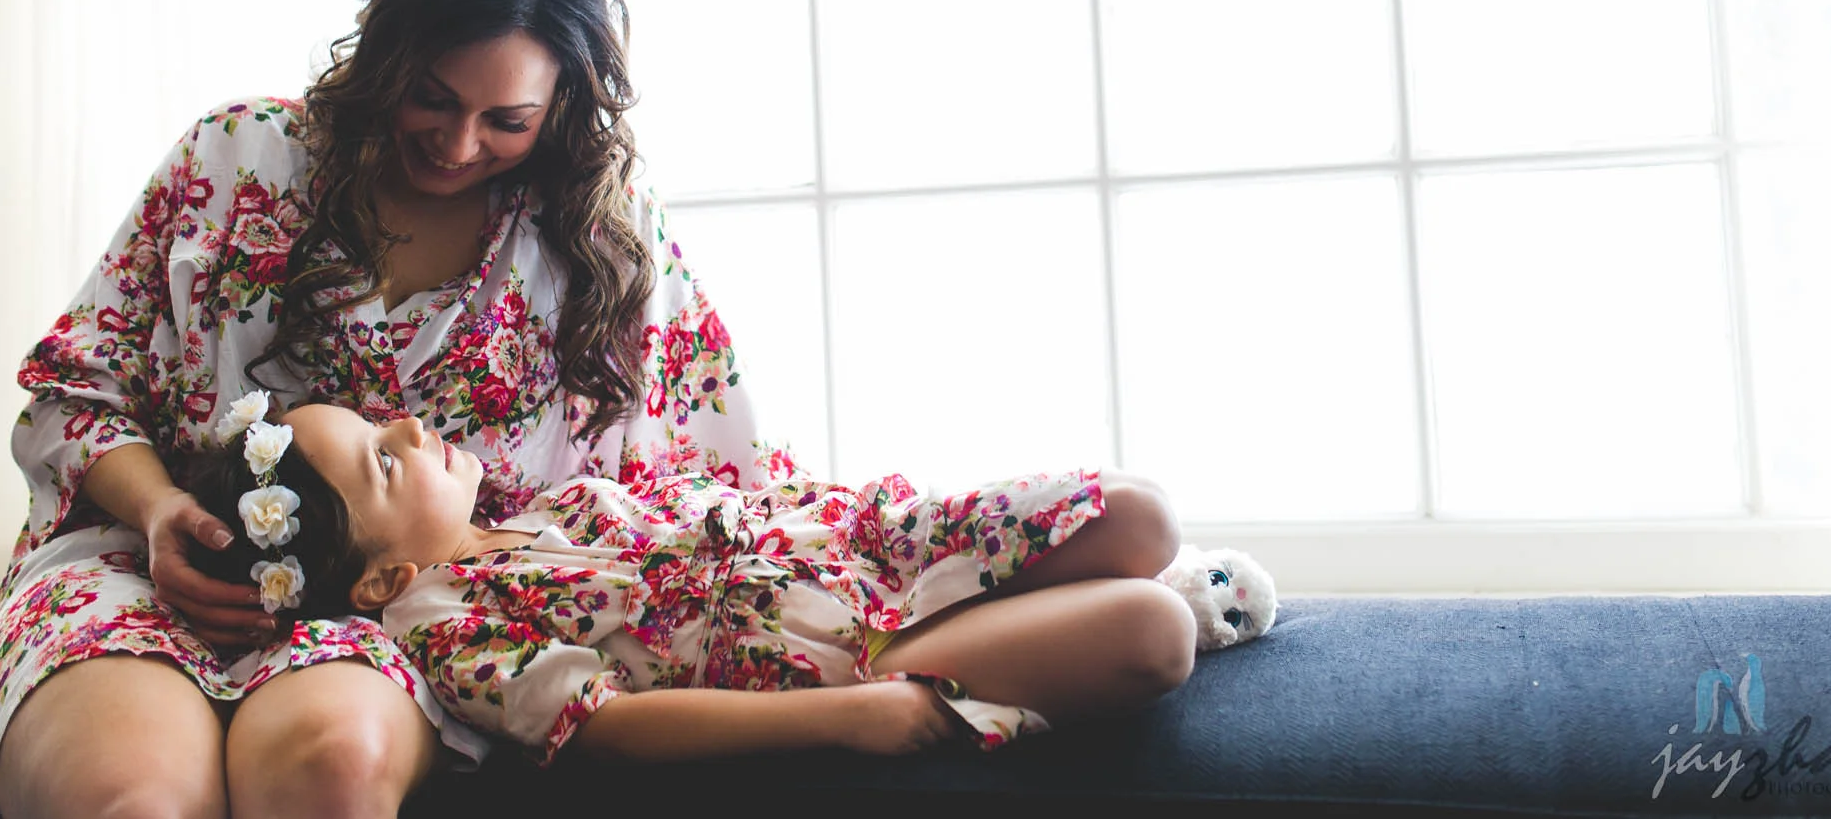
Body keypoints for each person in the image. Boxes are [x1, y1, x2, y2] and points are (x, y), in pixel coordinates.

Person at [0, 0, 810, 818]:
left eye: (507, 120)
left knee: (334, 765)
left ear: (562, 104)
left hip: (411, 615)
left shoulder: (598, 241)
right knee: (131, 792)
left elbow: (708, 477)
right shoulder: (237, 159)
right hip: (152, 569)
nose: (458, 143)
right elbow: (74, 389)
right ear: (388, 46)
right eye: (432, 97)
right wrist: (161, 513)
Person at [181, 398, 1197, 764]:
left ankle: (1025, 594)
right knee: (1154, 630)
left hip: (867, 544)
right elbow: (603, 728)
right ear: (381, 581)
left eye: (379, 422)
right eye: (383, 458)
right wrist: (855, 717)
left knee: (1144, 512)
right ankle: (1020, 634)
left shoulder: (539, 509)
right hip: (848, 650)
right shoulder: (445, 627)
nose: (409, 425)